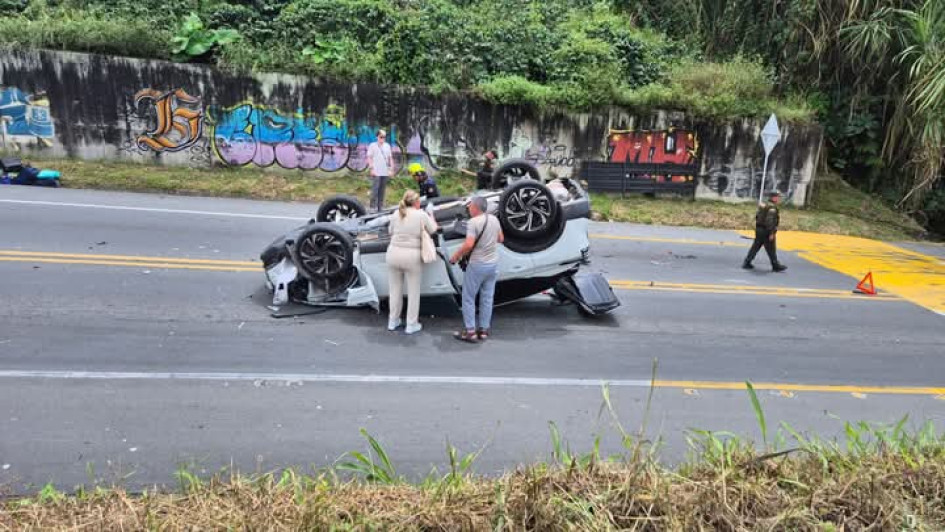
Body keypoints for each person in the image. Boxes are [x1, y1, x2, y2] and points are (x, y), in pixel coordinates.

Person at [450, 196, 504, 342]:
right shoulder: (494, 219)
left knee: (468, 298)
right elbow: (500, 239)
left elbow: (468, 244)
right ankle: (484, 330)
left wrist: (455, 256)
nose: (468, 208)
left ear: (475, 207)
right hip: (492, 265)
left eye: (470, 206)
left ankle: (470, 332)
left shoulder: (473, 222)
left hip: (477, 265)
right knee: (487, 297)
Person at [386, 189, 438, 334]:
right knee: (413, 292)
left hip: (393, 254)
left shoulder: (396, 214)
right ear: (416, 202)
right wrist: (431, 214)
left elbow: (390, 231)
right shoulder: (421, 215)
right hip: (411, 256)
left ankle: (393, 321)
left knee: (394, 290)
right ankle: (411, 324)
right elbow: (433, 229)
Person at [742, 191, 787, 272]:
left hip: (759, 229)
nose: (778, 199)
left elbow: (757, 216)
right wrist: (771, 233)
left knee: (756, 246)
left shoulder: (764, 205)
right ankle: (775, 265)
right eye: (777, 197)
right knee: (771, 248)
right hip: (766, 230)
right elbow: (769, 221)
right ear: (774, 198)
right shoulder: (772, 208)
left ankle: (747, 261)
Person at [366, 129, 394, 212]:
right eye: (381, 137)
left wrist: (391, 169)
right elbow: (369, 157)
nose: (383, 139)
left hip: (385, 171)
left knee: (382, 190)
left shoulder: (387, 146)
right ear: (377, 137)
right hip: (376, 170)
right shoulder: (372, 145)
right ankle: (372, 207)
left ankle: (380, 207)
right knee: (375, 189)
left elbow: (390, 158)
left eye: (384, 137)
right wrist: (371, 169)